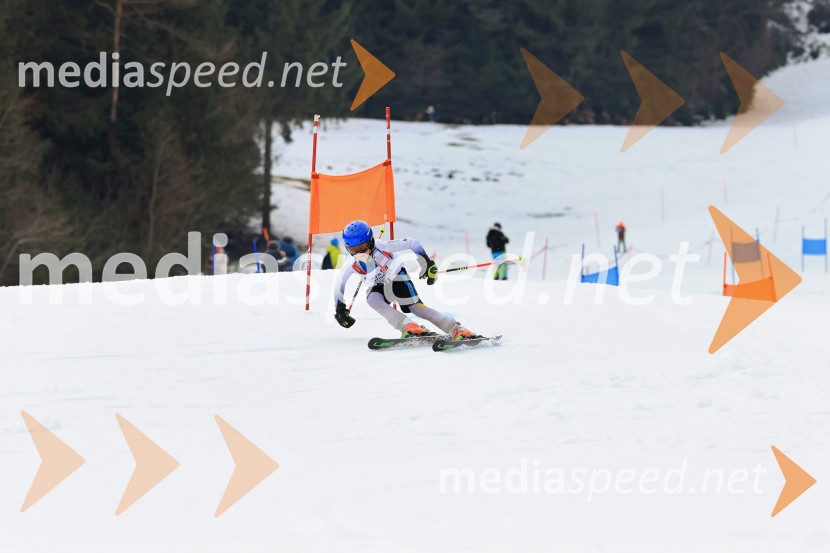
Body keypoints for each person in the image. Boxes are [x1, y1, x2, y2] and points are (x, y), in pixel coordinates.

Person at [333, 220, 478, 340]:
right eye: (353, 250)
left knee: (415, 307)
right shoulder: (351, 264)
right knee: (372, 299)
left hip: (397, 277)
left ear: (370, 242)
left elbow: (411, 243)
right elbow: (339, 285)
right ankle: (408, 326)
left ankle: (456, 328)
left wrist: (426, 261)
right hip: (376, 286)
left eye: (362, 247)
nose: (359, 253)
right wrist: (340, 308)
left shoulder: (382, 246)